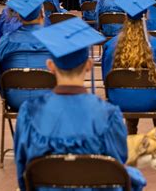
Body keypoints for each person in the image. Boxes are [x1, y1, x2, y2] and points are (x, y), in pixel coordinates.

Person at [15, 17, 146, 191]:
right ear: (89, 65)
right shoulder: (109, 115)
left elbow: (23, 176)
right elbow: (117, 169)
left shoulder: (29, 113)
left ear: (50, 66)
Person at [102, 0, 156, 137]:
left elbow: (107, 77)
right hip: (151, 100)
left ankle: (131, 134)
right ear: (146, 16)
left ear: (125, 17)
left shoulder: (111, 46)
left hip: (119, 100)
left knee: (129, 89)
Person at [0, 0, 52, 111]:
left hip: (14, 99)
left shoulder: (6, 42)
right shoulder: (53, 40)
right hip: (48, 98)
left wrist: (5, 97)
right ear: (42, 14)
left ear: (18, 16)